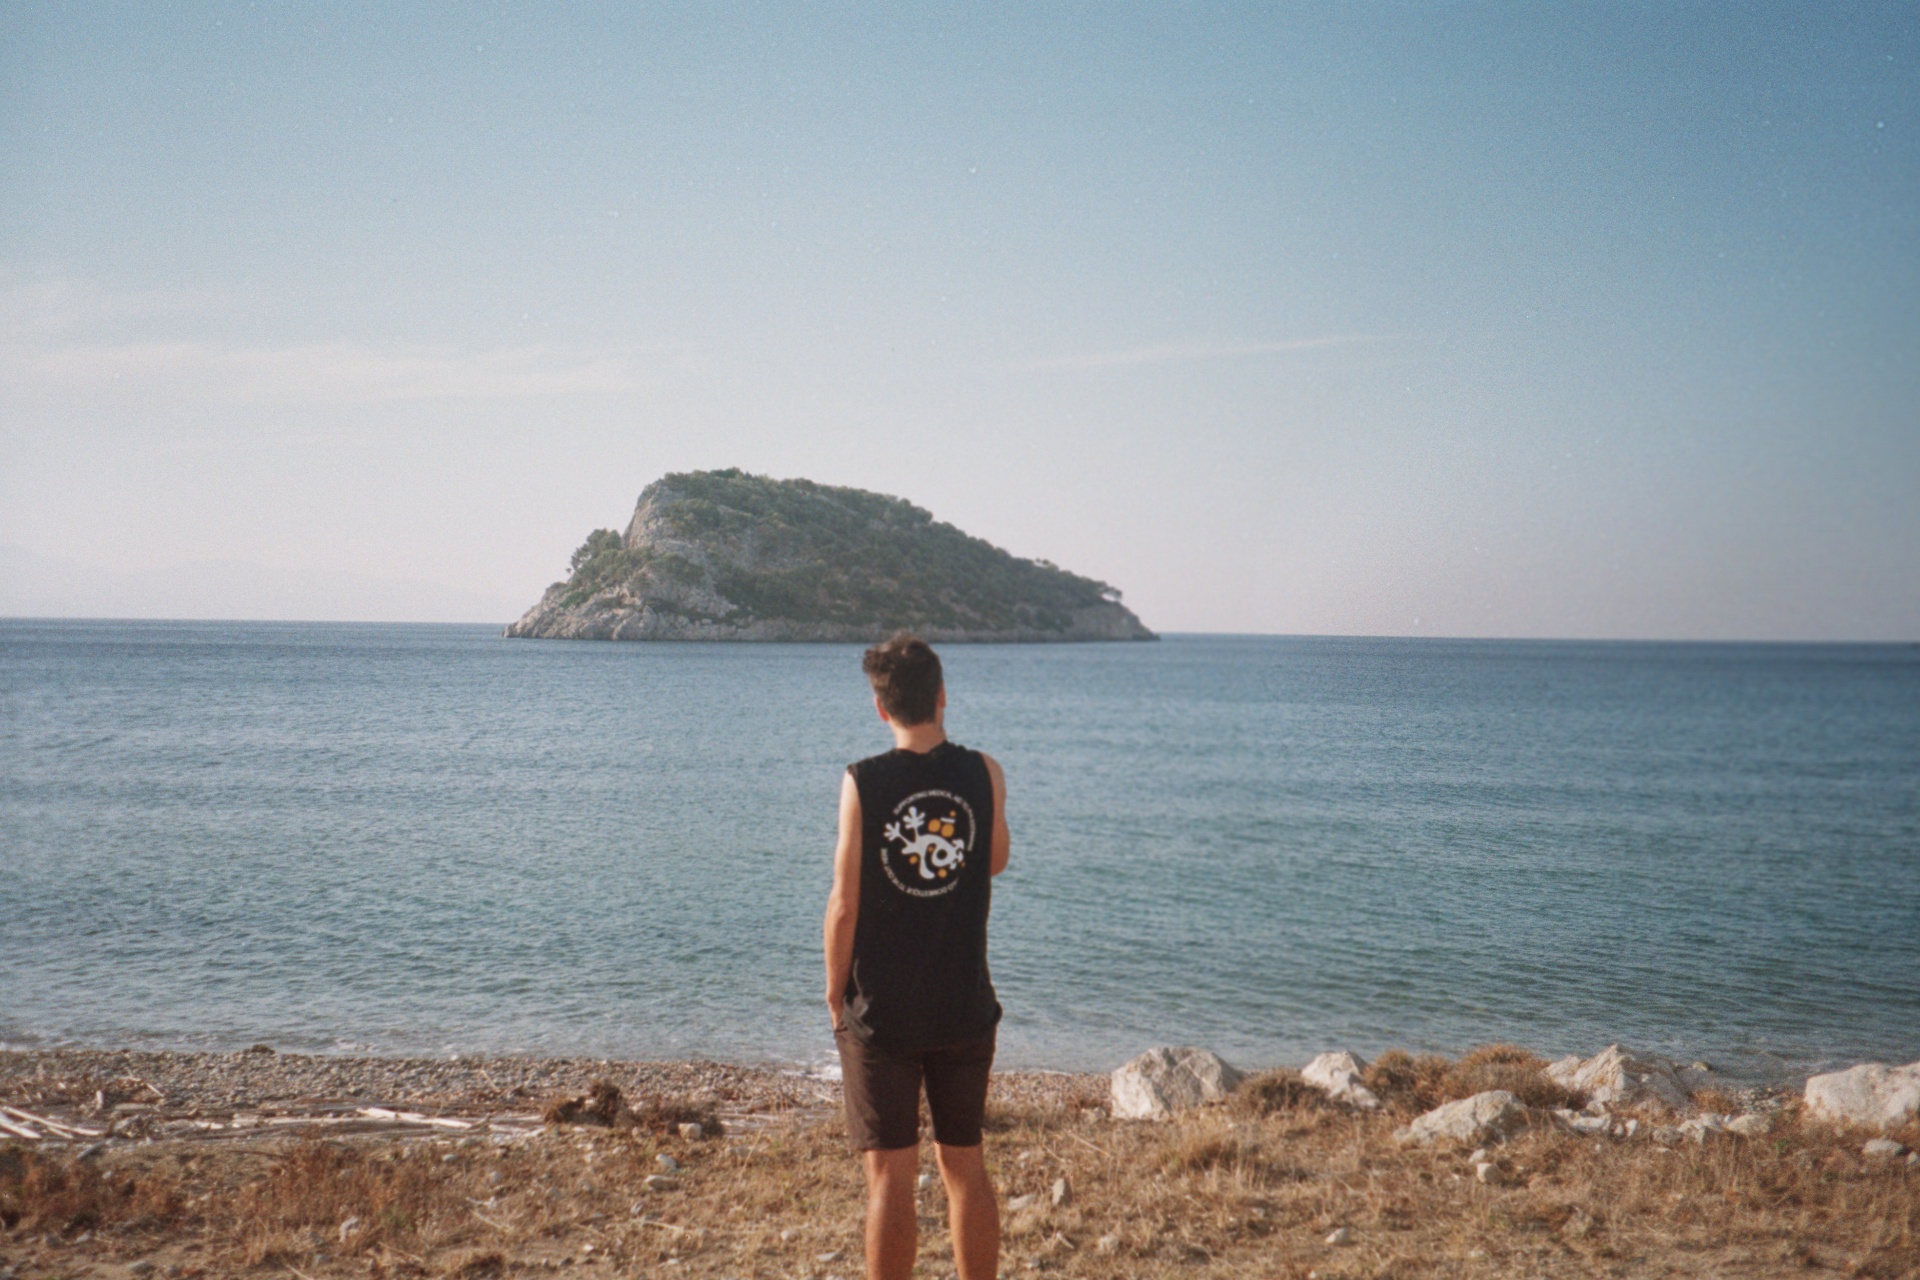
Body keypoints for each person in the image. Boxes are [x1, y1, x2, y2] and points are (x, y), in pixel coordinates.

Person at [824, 632, 1010, 1280]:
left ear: (881, 708)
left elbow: (844, 904)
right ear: (941, 697)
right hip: (964, 1003)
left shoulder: (863, 783)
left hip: (884, 1012)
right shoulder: (984, 773)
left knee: (889, 1177)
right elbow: (994, 861)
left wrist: (832, 990)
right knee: (965, 1165)